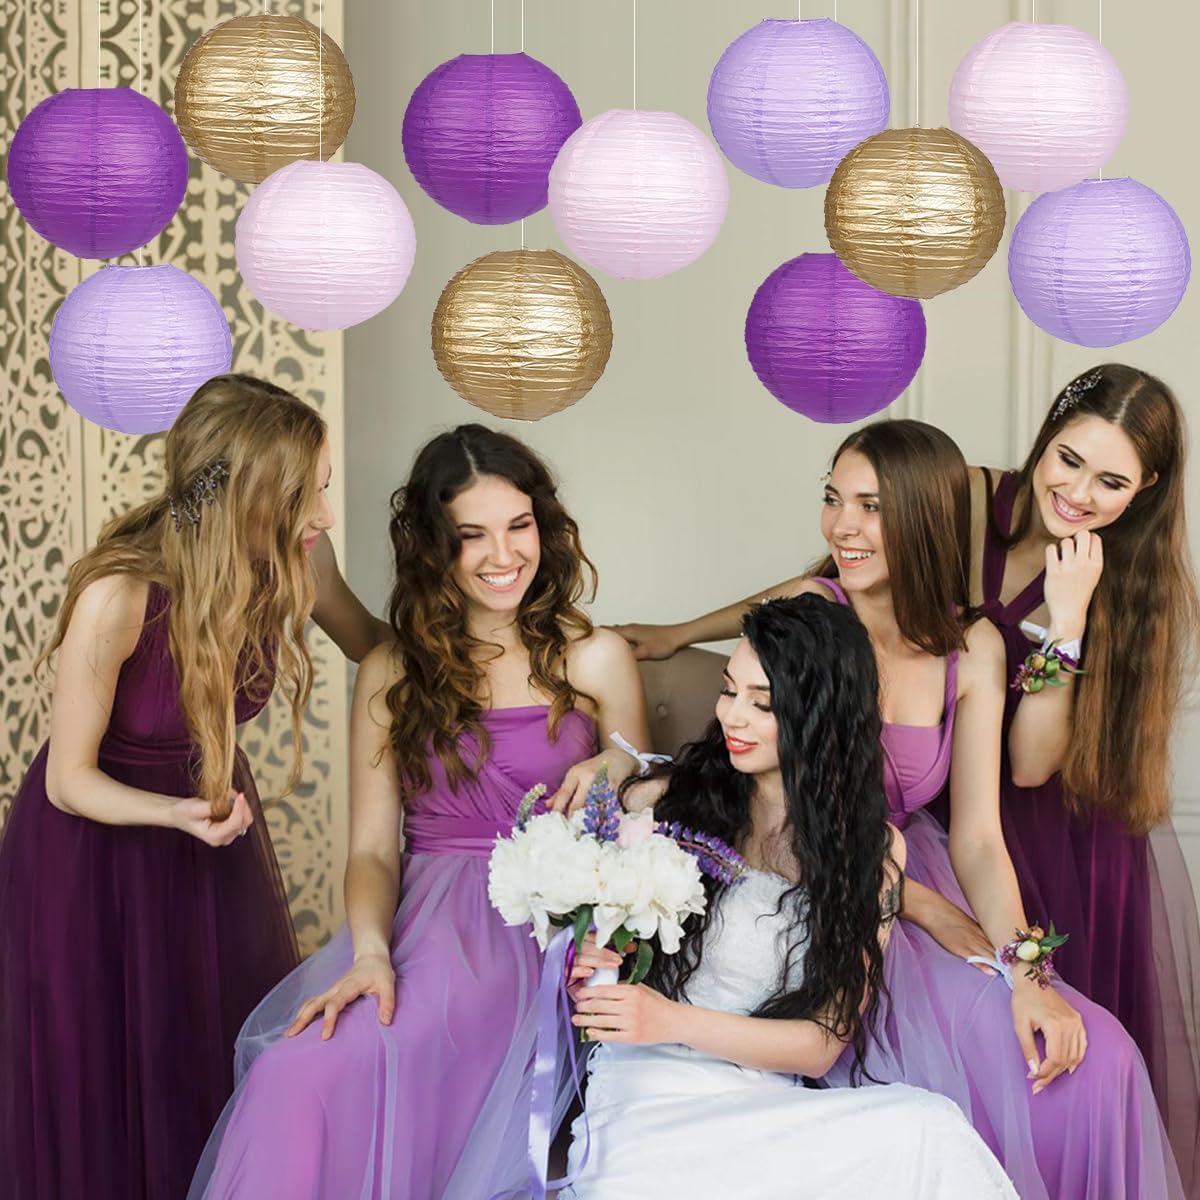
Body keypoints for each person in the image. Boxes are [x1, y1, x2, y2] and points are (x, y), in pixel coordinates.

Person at [616, 371, 1200, 1186]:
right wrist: (673, 643)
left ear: (924, 518)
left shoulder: (975, 648)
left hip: (922, 871)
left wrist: (1027, 976)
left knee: (1096, 1056)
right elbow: (745, 756)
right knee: (961, 1069)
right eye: (835, 500)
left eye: (872, 508)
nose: (844, 526)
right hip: (827, 885)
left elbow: (981, 837)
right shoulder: (817, 612)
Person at [191, 425, 651, 1200]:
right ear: (437, 548)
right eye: (472, 536)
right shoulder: (391, 670)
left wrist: (617, 764)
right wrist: (372, 953)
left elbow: (647, 796)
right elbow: (372, 852)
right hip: (422, 932)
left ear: (544, 527)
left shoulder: (595, 656)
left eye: (518, 526)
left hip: (543, 937)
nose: (503, 555)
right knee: (290, 1077)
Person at [0, 374, 386, 1200]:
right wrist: (174, 812)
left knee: (202, 1054)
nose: (324, 516)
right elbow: (68, 781)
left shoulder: (298, 558)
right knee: (104, 1072)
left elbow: (371, 643)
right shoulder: (118, 594)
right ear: (246, 495)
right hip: (93, 851)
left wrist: (496, 654)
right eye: (306, 495)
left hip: (205, 829)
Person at [562, 595, 1017, 1199]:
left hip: (766, 1101)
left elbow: (822, 1044)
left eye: (762, 703)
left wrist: (672, 1019)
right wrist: (592, 958)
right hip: (648, 1090)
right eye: (729, 690)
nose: (732, 717)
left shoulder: (870, 854)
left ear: (819, 713)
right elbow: (593, 941)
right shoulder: (662, 805)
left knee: (930, 1129)